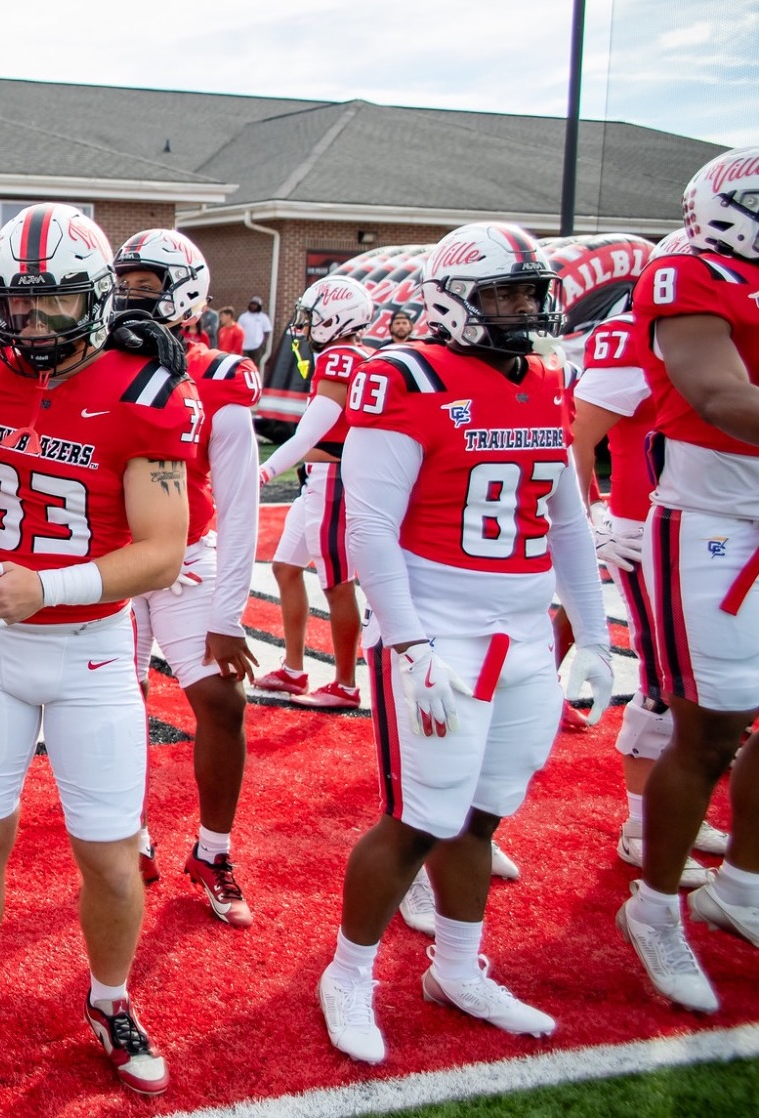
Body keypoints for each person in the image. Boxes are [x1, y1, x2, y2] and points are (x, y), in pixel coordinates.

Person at [0, 203, 195, 1102]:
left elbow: (163, 550)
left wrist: (50, 585)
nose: (31, 327)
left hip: (91, 649)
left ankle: (111, 1000)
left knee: (109, 852)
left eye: (56, 307)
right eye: (17, 307)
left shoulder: (145, 390)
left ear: (101, 299)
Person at [319, 222, 611, 1065]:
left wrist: (590, 634)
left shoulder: (550, 378)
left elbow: (564, 519)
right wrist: (409, 645)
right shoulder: (404, 374)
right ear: (452, 302)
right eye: (503, 294)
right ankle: (347, 974)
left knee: (480, 818)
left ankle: (453, 967)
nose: (524, 309)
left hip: (522, 631)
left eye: (531, 292)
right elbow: (369, 527)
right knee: (417, 818)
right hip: (440, 627)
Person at [620, 149, 759, 1013]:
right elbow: (717, 393)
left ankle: (741, 884)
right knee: (709, 730)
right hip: (711, 522)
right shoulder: (685, 269)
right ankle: (655, 904)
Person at [110, 230, 263, 923]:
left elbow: (240, 506)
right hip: (107, 556)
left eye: (149, 282)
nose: (134, 295)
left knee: (222, 705)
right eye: (128, 281)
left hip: (184, 556)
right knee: (115, 705)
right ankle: (128, 831)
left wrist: (230, 616)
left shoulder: (220, 376)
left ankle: (213, 848)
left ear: (187, 288)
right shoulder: (92, 361)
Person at [570, 230, 727, 893]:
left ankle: (674, 817)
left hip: (714, 524)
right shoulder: (639, 327)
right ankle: (642, 827)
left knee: (713, 693)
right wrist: (593, 516)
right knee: (667, 684)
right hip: (647, 527)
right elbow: (574, 436)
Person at [253, 276, 374, 710]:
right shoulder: (350, 355)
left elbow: (310, 433)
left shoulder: (341, 357)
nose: (305, 324)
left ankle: (345, 682)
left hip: (334, 480)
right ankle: (293, 667)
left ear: (335, 316)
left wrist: (264, 471)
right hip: (319, 482)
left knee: (337, 583)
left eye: (312, 315)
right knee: (286, 567)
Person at [238, 295, 274, 365]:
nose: (253, 306)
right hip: (244, 347)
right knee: (244, 364)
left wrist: (262, 345)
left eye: (255, 305)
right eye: (252, 304)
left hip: (257, 347)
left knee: (255, 365)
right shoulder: (243, 317)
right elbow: (239, 331)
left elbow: (267, 332)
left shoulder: (263, 317)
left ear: (259, 306)